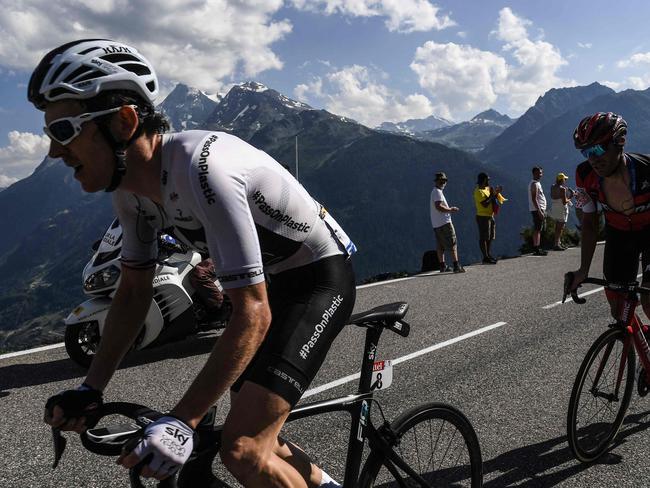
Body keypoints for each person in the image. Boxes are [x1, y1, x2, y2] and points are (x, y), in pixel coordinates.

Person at [32, 39, 357, 487]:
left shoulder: (204, 170)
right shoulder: (131, 194)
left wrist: (183, 420)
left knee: (243, 450)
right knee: (267, 439)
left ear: (124, 121)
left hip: (316, 280)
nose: (54, 151)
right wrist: (91, 388)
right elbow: (131, 293)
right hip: (270, 285)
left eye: (64, 131)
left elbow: (253, 313)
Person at [569, 112, 650, 321]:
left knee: (649, 302)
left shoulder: (646, 170)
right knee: (618, 310)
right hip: (620, 234)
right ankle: (633, 340)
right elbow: (589, 223)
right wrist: (583, 270)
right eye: (586, 152)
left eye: (597, 149)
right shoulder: (584, 176)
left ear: (619, 142)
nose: (593, 159)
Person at [430, 172, 465, 273]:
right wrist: (450, 209)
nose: (443, 183)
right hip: (444, 222)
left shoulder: (434, 191)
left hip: (436, 223)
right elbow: (439, 206)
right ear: (437, 181)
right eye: (442, 181)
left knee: (440, 245)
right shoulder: (438, 192)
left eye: (444, 181)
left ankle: (442, 266)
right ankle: (456, 265)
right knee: (452, 243)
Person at [473, 172, 501, 264]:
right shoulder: (478, 191)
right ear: (484, 180)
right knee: (484, 237)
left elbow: (492, 199)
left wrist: (496, 193)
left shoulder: (487, 189)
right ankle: (485, 257)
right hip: (482, 217)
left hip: (490, 216)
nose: (489, 181)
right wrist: (493, 195)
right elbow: (485, 204)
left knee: (490, 237)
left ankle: (488, 255)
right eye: (488, 179)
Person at [549, 173, 574, 250]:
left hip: (555, 207)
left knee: (557, 226)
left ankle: (557, 243)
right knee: (560, 227)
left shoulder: (552, 187)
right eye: (565, 179)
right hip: (561, 208)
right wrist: (571, 196)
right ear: (562, 180)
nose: (565, 181)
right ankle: (557, 244)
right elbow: (564, 202)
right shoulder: (562, 189)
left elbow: (554, 196)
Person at [528, 166, 548, 256]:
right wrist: (539, 211)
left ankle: (538, 247)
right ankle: (536, 248)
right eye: (538, 173)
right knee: (537, 229)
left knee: (538, 229)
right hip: (537, 209)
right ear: (533, 173)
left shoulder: (537, 183)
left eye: (541, 173)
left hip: (538, 209)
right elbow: (534, 198)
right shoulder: (534, 184)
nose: (540, 174)